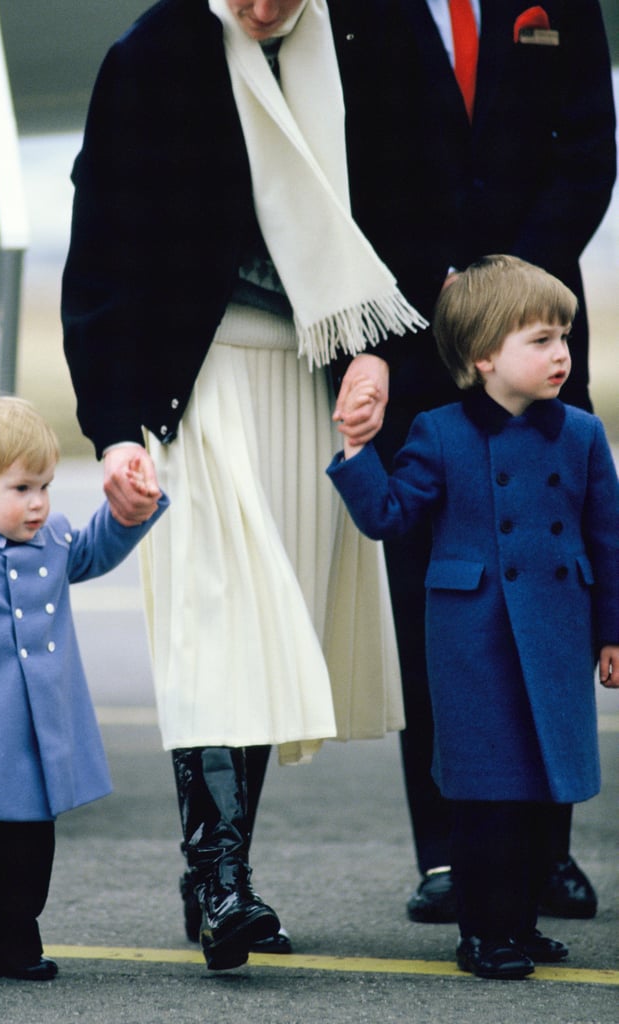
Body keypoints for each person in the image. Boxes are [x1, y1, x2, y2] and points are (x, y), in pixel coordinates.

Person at [62, 0, 426, 970]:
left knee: (272, 627)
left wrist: (383, 352)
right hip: (199, 375)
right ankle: (223, 883)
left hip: (317, 371)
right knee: (220, 615)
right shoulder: (154, 53)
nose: (262, 7)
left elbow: (411, 203)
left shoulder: (366, 35)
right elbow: (101, 243)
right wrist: (110, 428)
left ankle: (212, 876)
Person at [349, 0, 617, 924]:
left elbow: (589, 148)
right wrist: (440, 287)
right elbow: (353, 163)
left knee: (553, 598)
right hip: (419, 337)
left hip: (537, 330)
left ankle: (547, 853)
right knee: (441, 609)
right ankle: (449, 856)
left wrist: (508, 292)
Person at [328, 254, 619, 979]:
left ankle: (518, 922)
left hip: (555, 631)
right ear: (483, 356)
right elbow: (389, 519)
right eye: (540, 340)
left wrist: (613, 631)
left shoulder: (582, 434)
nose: (560, 355)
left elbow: (608, 541)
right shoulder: (437, 432)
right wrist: (357, 452)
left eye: (564, 338)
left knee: (537, 791)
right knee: (485, 790)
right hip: (473, 638)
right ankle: (483, 932)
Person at [0, 397, 167, 980]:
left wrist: (128, 512)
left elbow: (92, 552)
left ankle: (9, 948)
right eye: (23, 488)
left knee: (25, 859)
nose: (40, 503)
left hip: (28, 744)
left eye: (46, 486)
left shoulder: (50, 540)